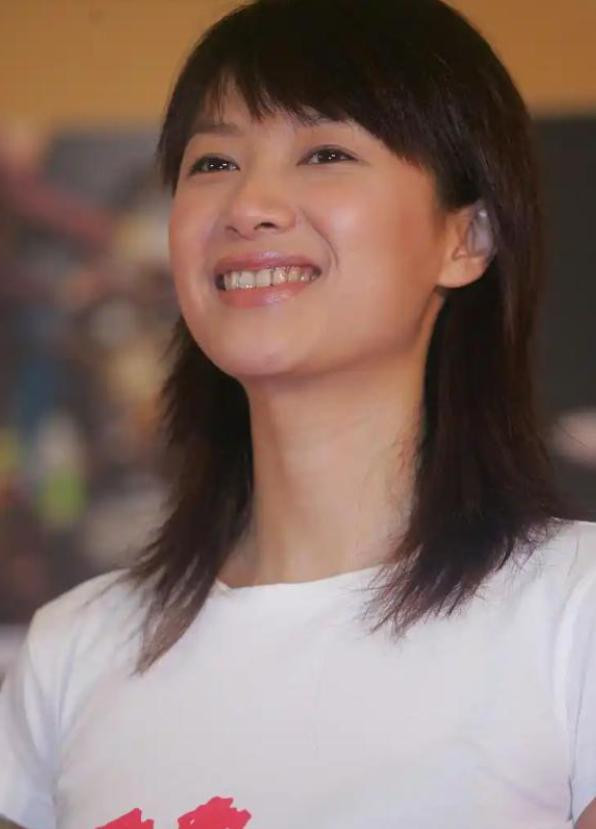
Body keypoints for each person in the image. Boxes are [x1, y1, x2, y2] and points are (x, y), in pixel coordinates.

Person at [1, 0, 595, 826]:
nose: (250, 204)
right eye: (213, 162)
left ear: (466, 239)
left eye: (325, 153)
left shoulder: (573, 609)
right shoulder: (72, 651)